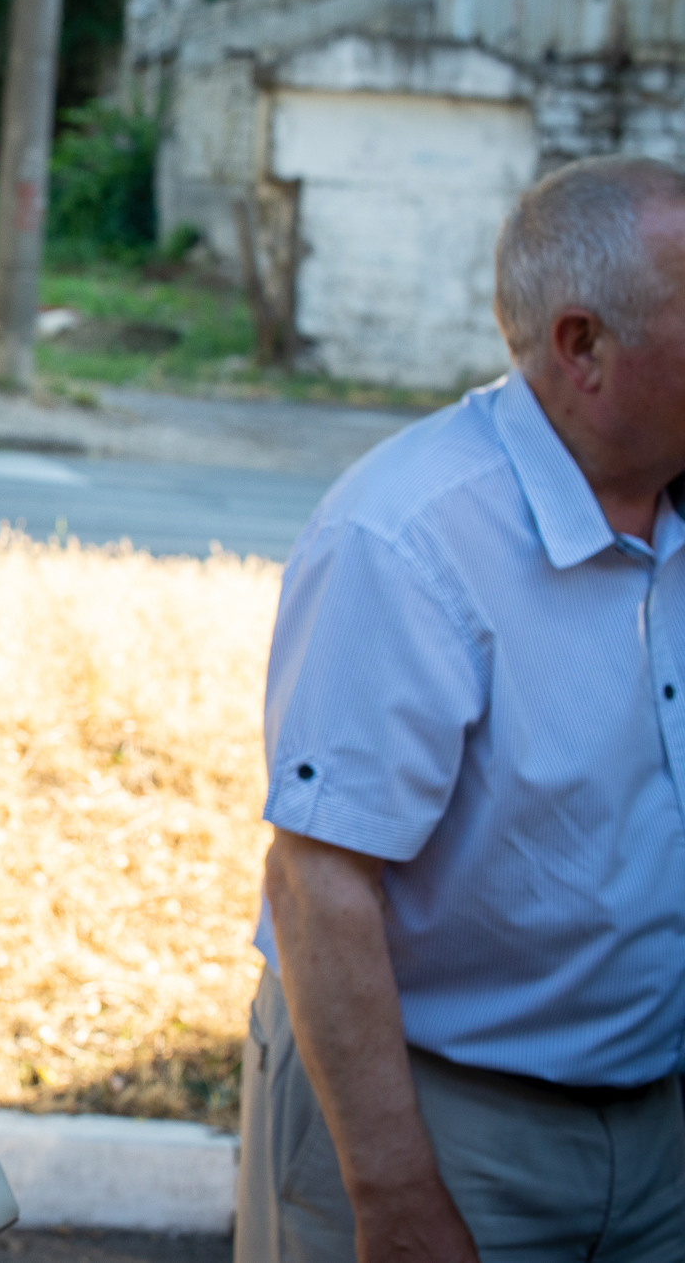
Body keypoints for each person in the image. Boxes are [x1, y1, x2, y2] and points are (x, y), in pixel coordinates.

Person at [237, 155, 685, 1263]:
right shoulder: (407, 536)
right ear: (585, 346)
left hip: (657, 1122)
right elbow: (320, 879)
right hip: (436, 1120)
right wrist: (394, 1193)